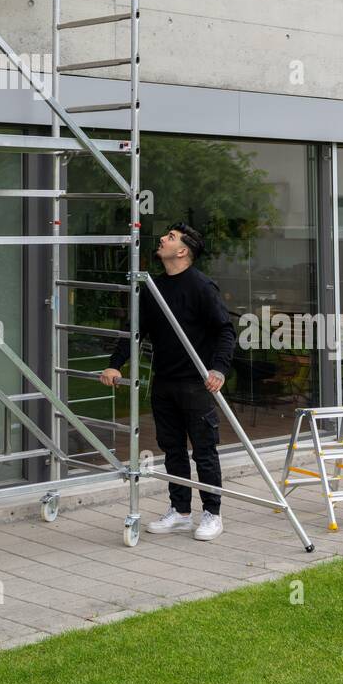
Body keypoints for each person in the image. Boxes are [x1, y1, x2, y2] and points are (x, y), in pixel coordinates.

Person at [100, 223, 236, 541]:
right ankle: (181, 511)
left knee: (204, 450)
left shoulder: (202, 287)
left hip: (196, 384)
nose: (162, 239)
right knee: (172, 449)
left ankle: (212, 514)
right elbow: (135, 331)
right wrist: (114, 365)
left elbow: (225, 331)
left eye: (171, 237)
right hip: (164, 382)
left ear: (183, 250)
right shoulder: (154, 288)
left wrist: (218, 370)